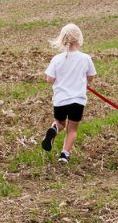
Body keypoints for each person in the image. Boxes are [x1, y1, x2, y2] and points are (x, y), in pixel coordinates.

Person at [41, 23, 96, 163]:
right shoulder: (85, 58)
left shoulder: (57, 59)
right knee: (72, 129)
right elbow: (90, 77)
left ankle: (53, 130)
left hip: (60, 100)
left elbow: (49, 79)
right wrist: (84, 81)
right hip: (77, 101)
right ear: (79, 39)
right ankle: (64, 155)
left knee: (60, 123)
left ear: (62, 39)